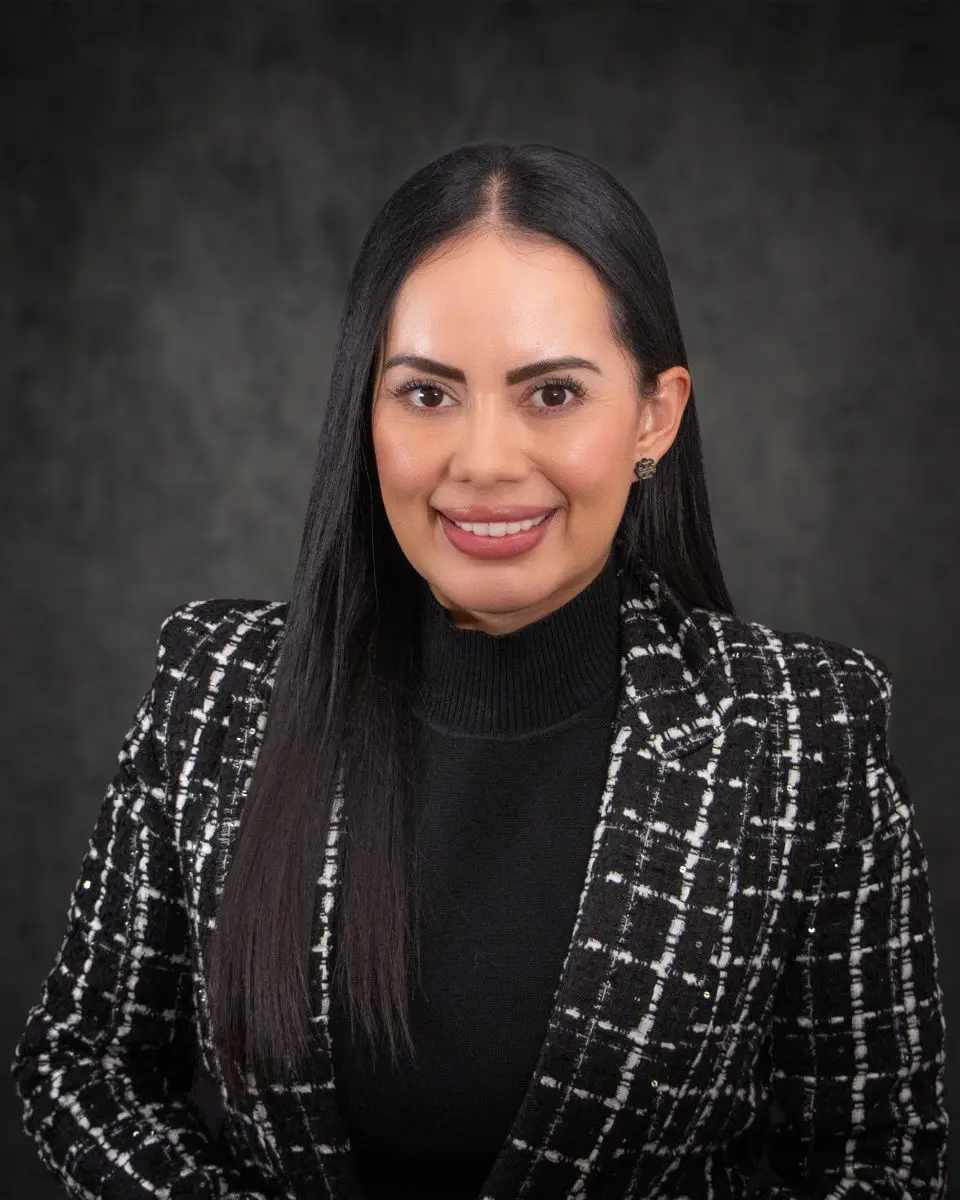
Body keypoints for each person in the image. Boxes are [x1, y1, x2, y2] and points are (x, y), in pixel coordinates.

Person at [12, 141, 947, 1200]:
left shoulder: (802, 735)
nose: (486, 460)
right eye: (427, 395)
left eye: (552, 394)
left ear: (656, 416)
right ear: (366, 414)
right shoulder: (213, 690)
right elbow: (79, 1065)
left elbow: (874, 1159)